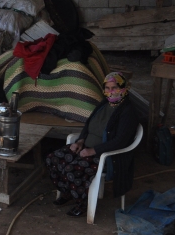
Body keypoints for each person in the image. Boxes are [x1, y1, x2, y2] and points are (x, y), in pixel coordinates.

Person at [45, 72, 138, 217]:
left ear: (124, 88)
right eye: (107, 88)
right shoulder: (104, 104)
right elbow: (89, 124)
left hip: (105, 156)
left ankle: (81, 203)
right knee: (53, 158)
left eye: (114, 87)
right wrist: (80, 141)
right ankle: (67, 192)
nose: (110, 92)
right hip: (86, 147)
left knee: (72, 169)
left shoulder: (128, 111)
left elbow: (120, 141)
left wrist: (93, 151)